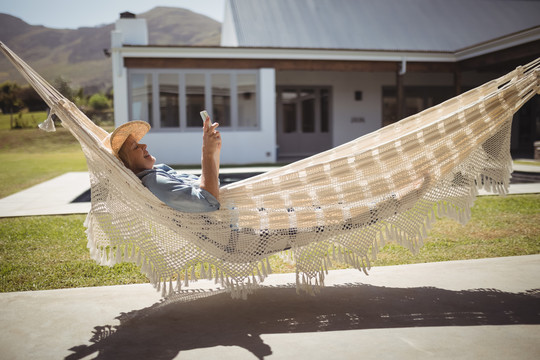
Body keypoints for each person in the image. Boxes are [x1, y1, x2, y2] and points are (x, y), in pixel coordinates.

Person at [103, 115, 221, 213]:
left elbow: (207, 184)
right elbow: (208, 201)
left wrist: (215, 152)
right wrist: (207, 152)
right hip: (224, 235)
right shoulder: (154, 182)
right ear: (126, 165)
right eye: (135, 147)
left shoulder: (160, 170)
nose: (144, 146)